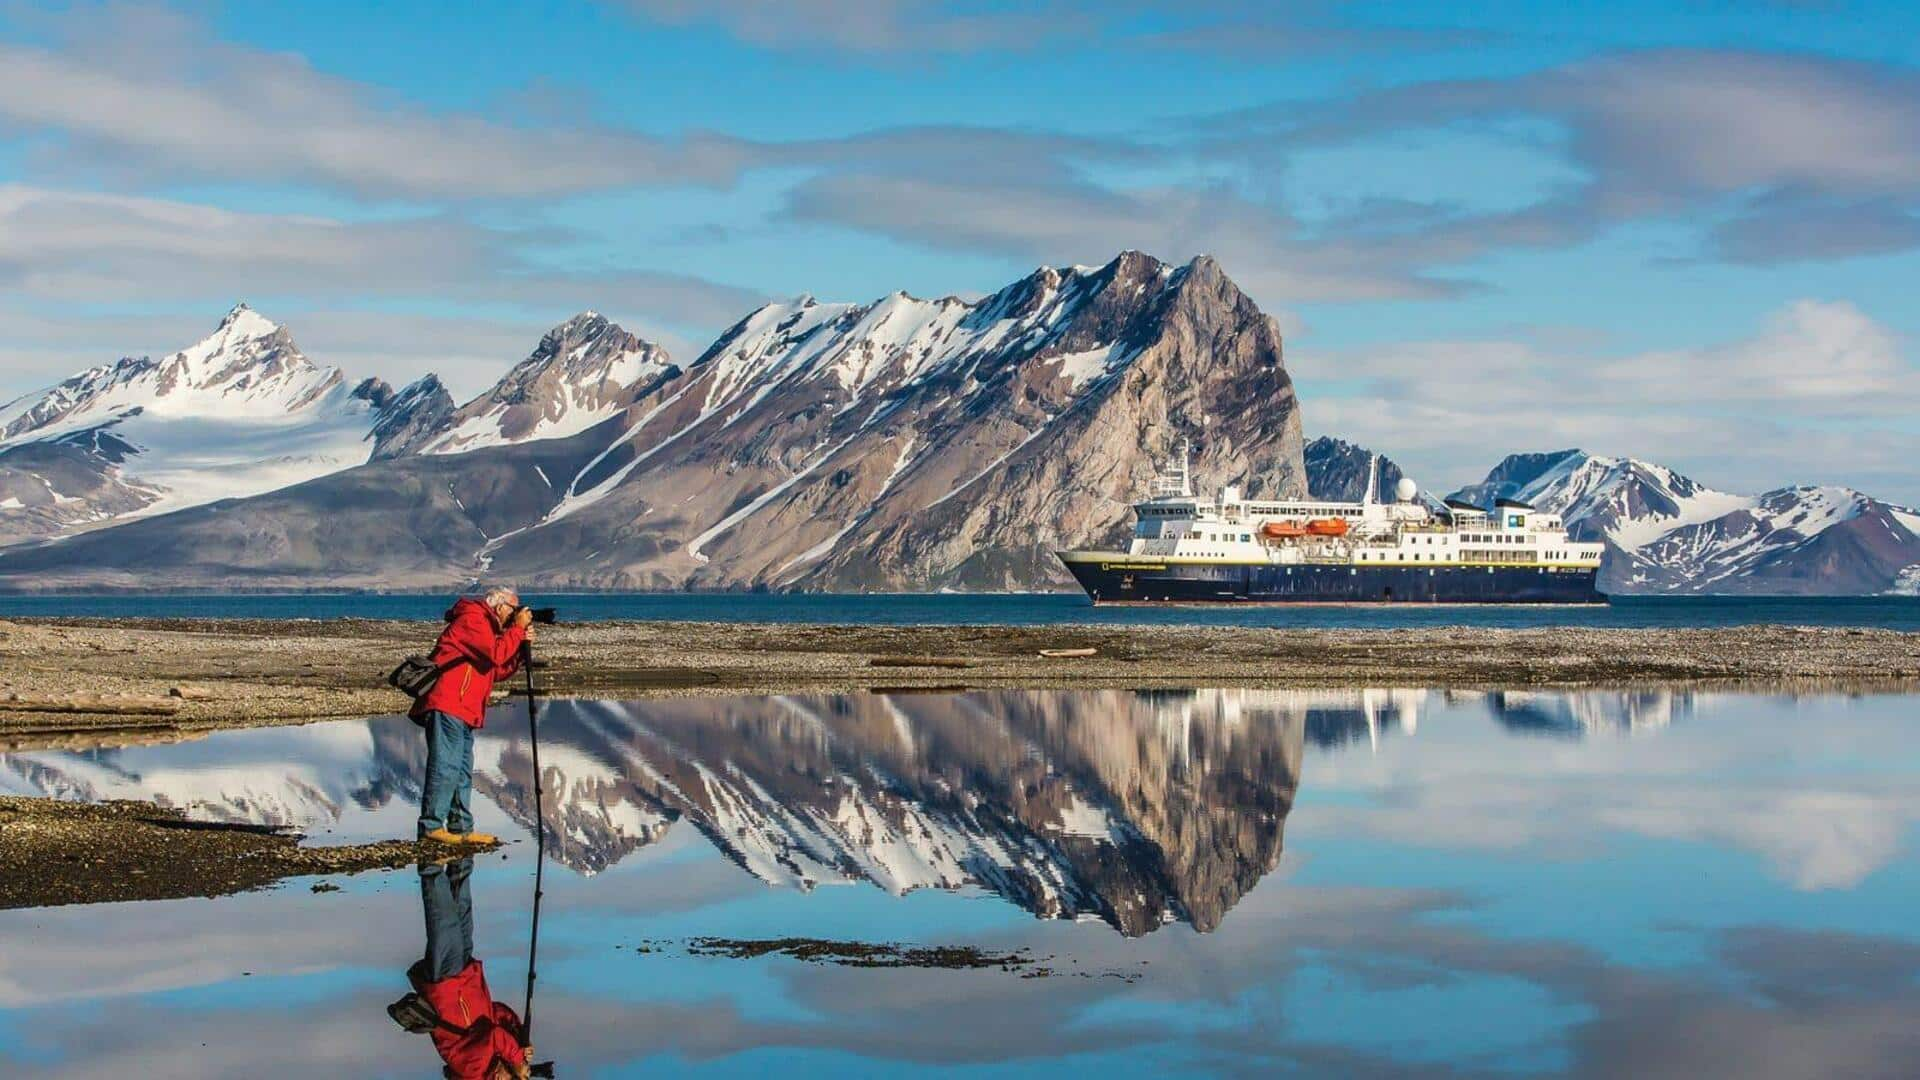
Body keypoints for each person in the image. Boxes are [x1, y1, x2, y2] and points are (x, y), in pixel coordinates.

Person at [415, 585, 533, 845]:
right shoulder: (473, 619)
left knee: (462, 771)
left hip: (465, 707)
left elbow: (496, 669)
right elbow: (495, 653)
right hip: (449, 702)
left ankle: (460, 828)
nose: (515, 616)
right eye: (513, 610)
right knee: (445, 765)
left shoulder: (488, 628)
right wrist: (517, 630)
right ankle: (432, 826)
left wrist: (520, 653)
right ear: (500, 606)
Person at [409, 856, 534, 1080]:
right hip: (466, 976)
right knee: (461, 902)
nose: (508, 1077)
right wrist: (518, 1036)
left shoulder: (472, 1072)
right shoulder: (489, 1063)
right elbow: (496, 1013)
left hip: (448, 985)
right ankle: (461, 839)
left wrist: (516, 1059)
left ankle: (431, 845)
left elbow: (493, 1036)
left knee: (443, 916)